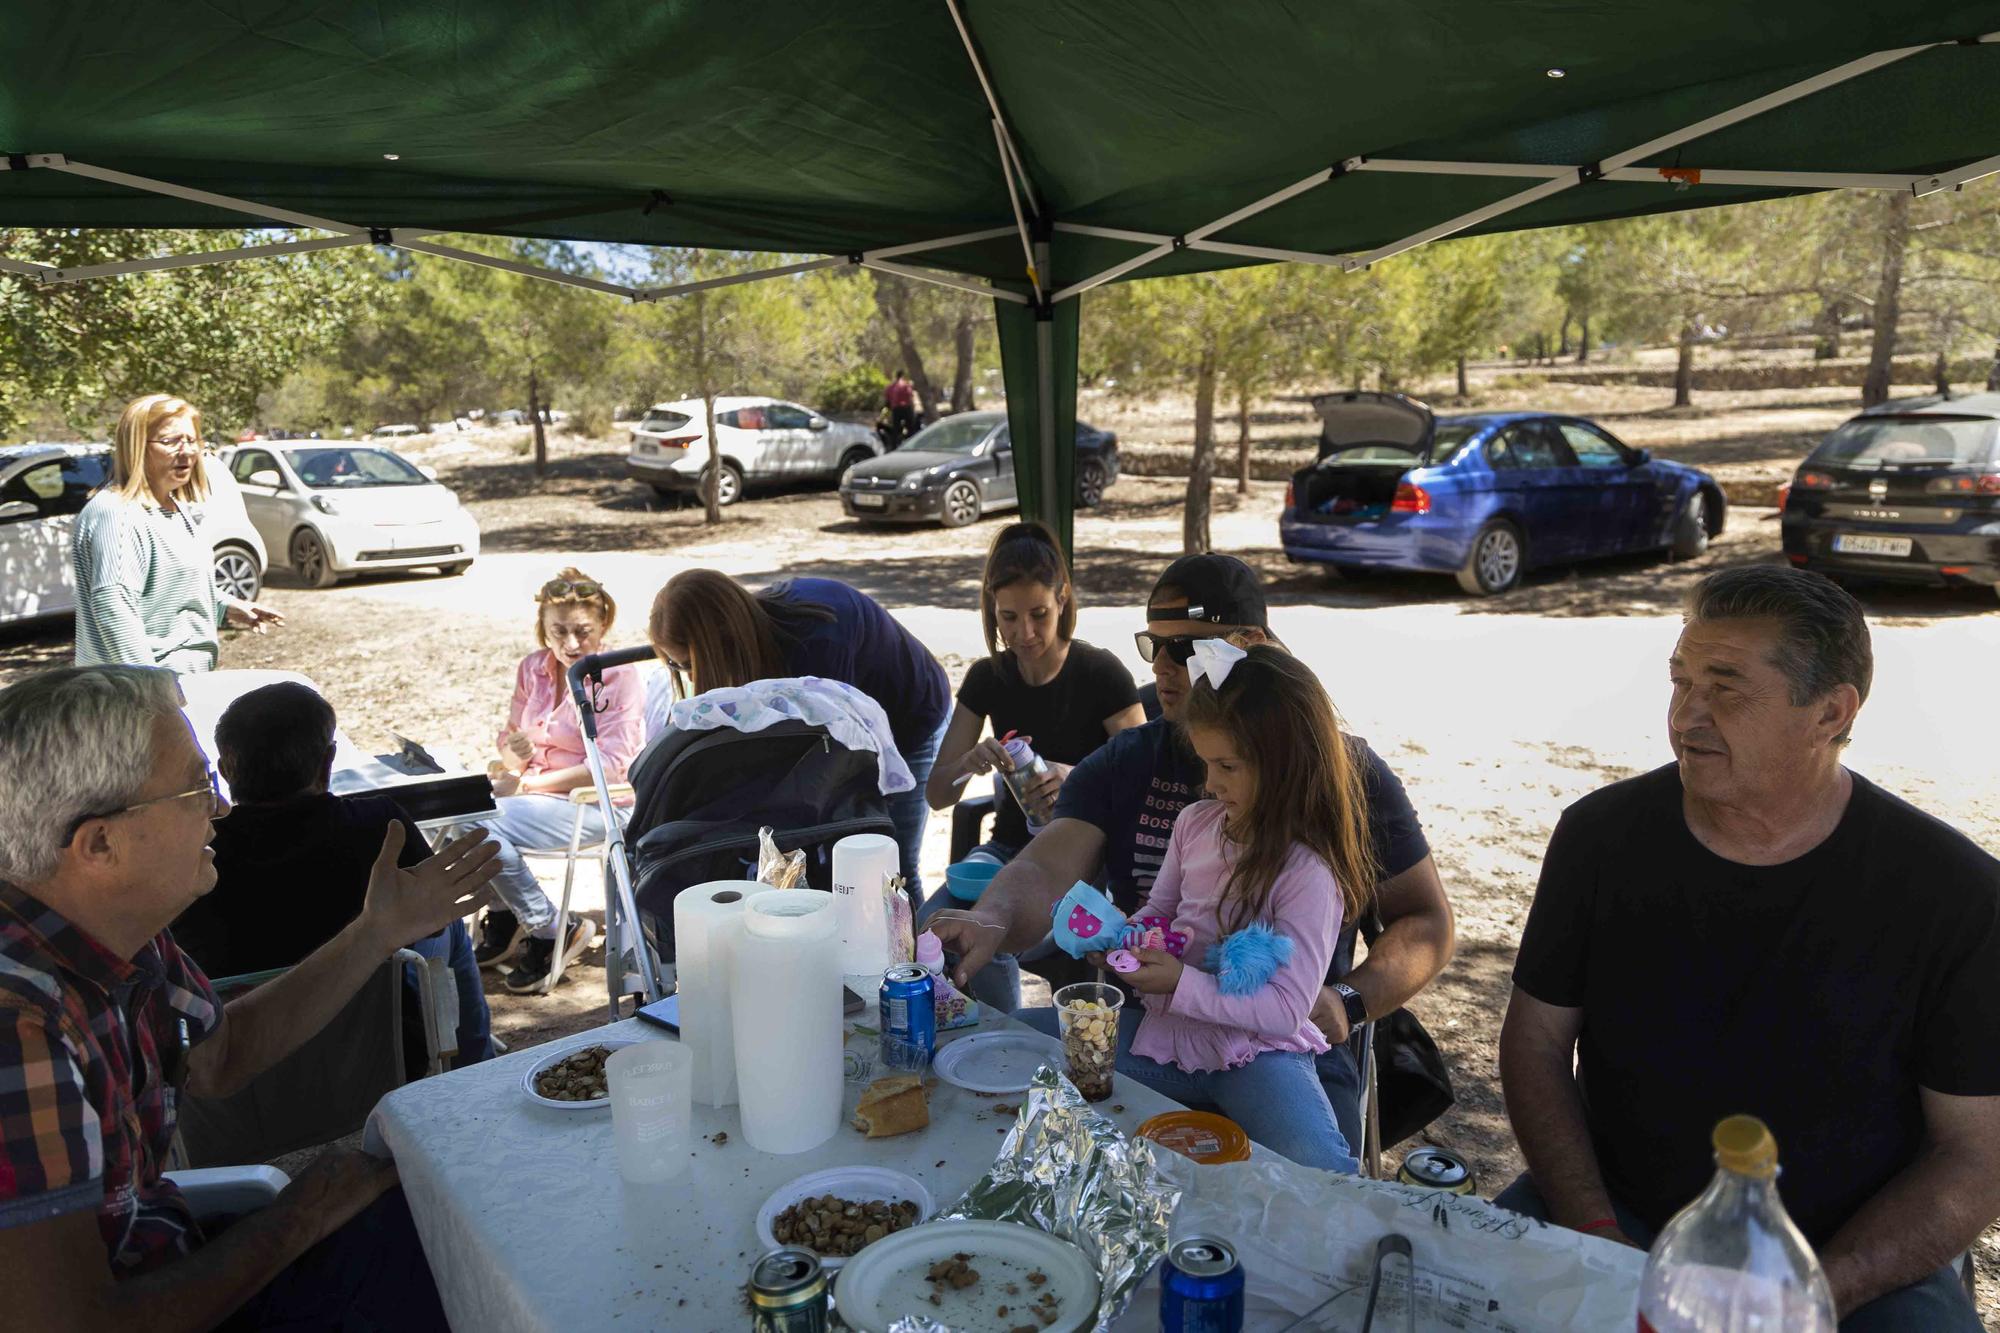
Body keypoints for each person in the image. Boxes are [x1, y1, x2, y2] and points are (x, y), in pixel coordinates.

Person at [1498, 566, 2000, 1331]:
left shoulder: (1955, 892)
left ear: (1831, 711)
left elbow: (1976, 1153)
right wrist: (1595, 1232)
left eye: (1726, 688)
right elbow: (1534, 1046)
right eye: (1680, 681)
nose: (1687, 716)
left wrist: (1810, 1296)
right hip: (1618, 1218)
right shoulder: (1601, 837)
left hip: (1851, 1259)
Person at [0, 665, 499, 1332]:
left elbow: (222, 1054)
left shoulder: (119, 932)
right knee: (462, 1266)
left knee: (465, 1218)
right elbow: (72, 1323)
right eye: (194, 787)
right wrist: (297, 1217)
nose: (222, 806)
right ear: (99, 843)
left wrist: (376, 932)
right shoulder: (19, 1021)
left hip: (175, 1255)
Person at [930, 553, 1455, 1159]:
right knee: (997, 1065)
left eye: (1187, 650)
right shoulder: (1138, 764)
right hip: (1161, 1029)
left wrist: (1350, 1000)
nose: (1163, 668)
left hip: (1282, 1044)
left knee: (1317, 1190)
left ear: (1249, 644)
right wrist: (992, 919)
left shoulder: (1340, 776)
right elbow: (1046, 865)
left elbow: (1427, 923)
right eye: (1153, 646)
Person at [1018, 645, 1374, 1171]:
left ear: (1284, 765)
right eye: (1207, 764)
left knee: (1318, 1168)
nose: (1211, 784)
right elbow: (1160, 909)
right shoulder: (1195, 824)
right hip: (1172, 1036)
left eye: (1227, 766)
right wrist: (1126, 941)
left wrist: (1179, 982)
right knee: (1023, 1042)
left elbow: (1283, 1012)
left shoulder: (1308, 875)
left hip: (1258, 1055)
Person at [171, 682, 494, 1069]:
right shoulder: (379, 824)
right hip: (383, 1055)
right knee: (450, 929)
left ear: (224, 769)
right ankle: (477, 1069)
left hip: (243, 1065)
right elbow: (430, 923)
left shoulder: (193, 856)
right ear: (329, 760)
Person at [920, 521, 1142, 1005]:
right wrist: (968, 761)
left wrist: (1076, 778)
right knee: (929, 928)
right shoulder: (988, 678)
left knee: (988, 939)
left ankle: (1005, 1047)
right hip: (1005, 853)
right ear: (992, 612)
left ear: (1063, 599)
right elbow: (938, 794)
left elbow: (1148, 781)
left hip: (1080, 866)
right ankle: (966, 1040)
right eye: (1008, 618)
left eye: (1039, 614)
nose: (1025, 634)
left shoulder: (1100, 673)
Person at [649, 569, 951, 902]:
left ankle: (914, 948)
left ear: (722, 640)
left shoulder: (818, 641)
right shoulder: (755, 644)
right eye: (677, 667)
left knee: (892, 868)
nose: (689, 676)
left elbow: (831, 758)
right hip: (852, 735)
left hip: (911, 722)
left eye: (688, 665)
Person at [469, 569, 644, 994]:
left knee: (482, 824)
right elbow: (509, 744)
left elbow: (614, 764)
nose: (570, 644)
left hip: (599, 803)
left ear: (603, 627)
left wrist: (529, 785)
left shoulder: (618, 674)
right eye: (558, 631)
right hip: (536, 799)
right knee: (456, 811)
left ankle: (549, 928)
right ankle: (506, 913)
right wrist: (514, 755)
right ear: (542, 630)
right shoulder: (533, 668)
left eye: (582, 632)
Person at [71, 394, 283, 671]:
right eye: (170, 441)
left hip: (178, 685)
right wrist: (157, 696)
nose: (186, 451)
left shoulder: (172, 508)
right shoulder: (118, 513)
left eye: (191, 440)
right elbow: (115, 608)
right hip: (138, 699)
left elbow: (172, 589)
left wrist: (225, 607)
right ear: (135, 447)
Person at [884, 370, 917, 444]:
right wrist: (913, 410)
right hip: (906, 409)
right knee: (910, 428)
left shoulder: (890, 387)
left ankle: (895, 444)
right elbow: (910, 398)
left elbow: (887, 401)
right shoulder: (906, 385)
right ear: (903, 376)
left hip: (896, 410)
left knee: (896, 429)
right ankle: (911, 443)